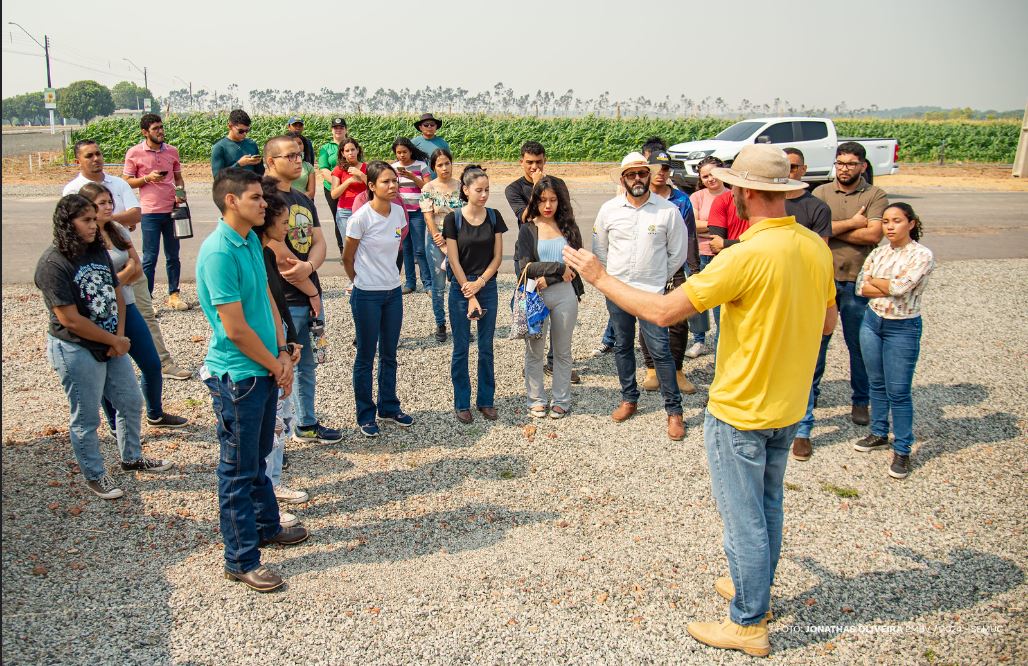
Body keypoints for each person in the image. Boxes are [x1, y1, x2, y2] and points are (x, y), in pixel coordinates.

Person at [564, 144, 836, 658]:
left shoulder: (745, 256)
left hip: (740, 411)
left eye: (733, 187)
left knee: (744, 519)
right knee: (768, 506)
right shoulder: (813, 247)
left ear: (746, 194)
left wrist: (599, 278)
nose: (728, 193)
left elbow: (665, 313)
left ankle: (749, 622)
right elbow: (826, 324)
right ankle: (755, 590)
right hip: (788, 407)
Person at [197, 167, 308, 593]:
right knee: (238, 470)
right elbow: (235, 329)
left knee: (258, 455)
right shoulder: (219, 252)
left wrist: (282, 352)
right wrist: (273, 364)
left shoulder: (249, 243)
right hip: (239, 377)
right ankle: (241, 559)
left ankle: (265, 525)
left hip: (264, 368)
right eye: (256, 198)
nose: (266, 204)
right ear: (231, 201)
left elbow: (266, 302)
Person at [36, 194, 174, 501]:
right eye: (85, 220)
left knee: (129, 401)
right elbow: (69, 319)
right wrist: (112, 340)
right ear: (67, 223)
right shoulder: (53, 264)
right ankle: (95, 475)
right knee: (86, 418)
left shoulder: (97, 251)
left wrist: (120, 337)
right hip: (76, 349)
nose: (93, 224)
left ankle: (131, 458)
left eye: (93, 218)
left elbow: (116, 293)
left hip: (112, 344)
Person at [62, 142, 191, 382]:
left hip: (127, 258)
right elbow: (73, 228)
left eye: (99, 153)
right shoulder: (72, 190)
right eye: (89, 155)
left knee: (146, 316)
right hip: (98, 272)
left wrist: (107, 220)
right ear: (77, 160)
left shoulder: (118, 184)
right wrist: (112, 220)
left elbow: (136, 215)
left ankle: (163, 361)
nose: (96, 159)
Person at [77, 183, 188, 431]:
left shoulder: (117, 230)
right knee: (108, 371)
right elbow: (95, 278)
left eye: (109, 202)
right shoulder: (85, 237)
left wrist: (113, 282)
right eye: (101, 203)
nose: (108, 207)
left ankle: (155, 414)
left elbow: (136, 266)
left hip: (128, 304)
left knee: (151, 363)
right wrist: (119, 278)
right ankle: (116, 425)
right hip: (103, 315)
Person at [593, 153, 687, 441]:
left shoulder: (667, 211)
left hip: (651, 294)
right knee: (622, 345)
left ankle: (674, 412)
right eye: (631, 174)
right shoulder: (609, 210)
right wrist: (612, 280)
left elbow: (678, 253)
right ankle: (629, 399)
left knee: (660, 350)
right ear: (623, 179)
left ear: (649, 176)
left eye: (642, 174)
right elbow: (600, 249)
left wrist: (657, 279)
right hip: (618, 292)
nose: (637, 179)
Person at [263, 135, 342, 445]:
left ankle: (306, 423)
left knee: (307, 363)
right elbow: (280, 256)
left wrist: (310, 270)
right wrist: (310, 289)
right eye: (290, 156)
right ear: (270, 162)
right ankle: (274, 437)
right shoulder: (265, 199)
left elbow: (319, 240)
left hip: (309, 291)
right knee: (280, 367)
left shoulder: (303, 198)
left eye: (300, 155)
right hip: (284, 299)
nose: (299, 161)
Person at [855, 203, 934, 480]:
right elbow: (860, 287)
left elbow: (901, 289)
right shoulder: (878, 252)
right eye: (886, 221)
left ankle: (902, 448)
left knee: (898, 390)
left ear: (911, 223)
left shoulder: (921, 255)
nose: (889, 226)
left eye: (897, 221)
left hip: (903, 326)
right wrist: (886, 283)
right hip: (873, 321)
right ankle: (878, 432)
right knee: (876, 382)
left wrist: (880, 283)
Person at [813, 142, 889, 428]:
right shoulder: (821, 192)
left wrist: (833, 229)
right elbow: (813, 231)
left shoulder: (874, 194)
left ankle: (860, 401)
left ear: (863, 166)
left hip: (858, 280)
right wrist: (853, 223)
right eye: (840, 163)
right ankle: (811, 394)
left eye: (850, 164)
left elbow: (873, 235)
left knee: (858, 345)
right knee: (817, 343)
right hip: (825, 279)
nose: (844, 168)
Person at [343, 161, 415, 437]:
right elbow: (348, 257)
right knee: (365, 356)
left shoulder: (399, 212)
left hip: (392, 293)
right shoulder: (360, 218)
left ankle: (388, 406)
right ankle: (365, 414)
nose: (392, 186)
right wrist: (358, 280)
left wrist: (388, 279)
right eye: (385, 182)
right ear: (371, 186)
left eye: (394, 181)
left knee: (389, 353)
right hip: (367, 295)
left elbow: (396, 249)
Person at [256, 179, 311, 515]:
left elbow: (276, 304)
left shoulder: (263, 252)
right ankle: (267, 492)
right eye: (283, 222)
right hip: (267, 355)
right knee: (270, 426)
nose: (289, 228)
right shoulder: (256, 254)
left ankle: (274, 483)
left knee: (280, 421)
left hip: (281, 346)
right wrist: (280, 350)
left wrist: (288, 342)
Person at [504, 141, 580, 384]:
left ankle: (555, 362)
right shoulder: (513, 188)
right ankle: (533, 365)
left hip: (556, 252)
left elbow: (566, 216)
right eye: (529, 162)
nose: (534, 166)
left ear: (545, 160)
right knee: (534, 316)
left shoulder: (557, 184)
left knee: (561, 321)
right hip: (530, 251)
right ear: (521, 161)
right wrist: (537, 187)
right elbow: (524, 217)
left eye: (538, 162)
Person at [515, 177, 584, 418]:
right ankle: (535, 399)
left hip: (565, 294)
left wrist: (551, 275)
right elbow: (524, 267)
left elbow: (575, 267)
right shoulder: (528, 229)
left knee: (563, 351)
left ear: (560, 200)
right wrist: (556, 268)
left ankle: (561, 399)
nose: (548, 205)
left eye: (553, 200)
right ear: (535, 201)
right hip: (536, 295)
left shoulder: (569, 228)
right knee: (534, 350)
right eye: (543, 200)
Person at [444, 165, 507, 424]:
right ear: (465, 190)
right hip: (461, 288)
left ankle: (486, 400)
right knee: (460, 348)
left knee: (486, 347)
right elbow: (453, 259)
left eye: (487, 190)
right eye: (478, 190)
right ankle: (462, 402)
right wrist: (469, 291)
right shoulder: (453, 219)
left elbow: (498, 257)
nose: (483, 195)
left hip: (487, 286)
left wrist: (480, 283)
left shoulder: (494, 216)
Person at [782, 148, 834, 462]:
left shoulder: (817, 208)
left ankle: (803, 430)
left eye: (793, 166)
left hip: (807, 294)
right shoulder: (771, 205)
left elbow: (819, 255)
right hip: (778, 292)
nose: (788, 171)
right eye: (783, 166)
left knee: (809, 368)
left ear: (803, 169)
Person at [638, 150, 700, 396]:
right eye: (656, 168)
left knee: (678, 320)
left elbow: (690, 236)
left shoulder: (682, 200)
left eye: (666, 169)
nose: (661, 173)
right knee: (647, 317)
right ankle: (652, 368)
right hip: (647, 266)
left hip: (674, 268)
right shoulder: (639, 196)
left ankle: (676, 369)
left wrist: (694, 269)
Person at [123, 113, 190, 312]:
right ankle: (147, 299)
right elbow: (126, 181)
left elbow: (178, 178)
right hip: (150, 212)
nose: (160, 131)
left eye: (161, 127)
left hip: (172, 210)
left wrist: (180, 193)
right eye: (155, 128)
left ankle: (174, 294)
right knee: (150, 257)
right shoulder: (134, 153)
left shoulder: (172, 151)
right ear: (145, 132)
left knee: (173, 255)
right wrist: (147, 178)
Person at [685, 156, 726, 358]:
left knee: (721, 304)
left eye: (714, 174)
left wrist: (706, 223)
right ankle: (699, 340)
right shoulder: (697, 197)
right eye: (705, 176)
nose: (710, 179)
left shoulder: (732, 195)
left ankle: (721, 343)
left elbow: (735, 226)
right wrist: (719, 225)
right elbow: (692, 224)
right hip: (699, 254)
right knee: (698, 299)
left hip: (724, 256)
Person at [419, 148, 462, 342]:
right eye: (440, 165)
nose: (445, 168)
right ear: (434, 167)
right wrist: (437, 237)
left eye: (447, 163)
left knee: (460, 282)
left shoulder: (462, 186)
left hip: (459, 239)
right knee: (438, 285)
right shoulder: (428, 188)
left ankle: (461, 323)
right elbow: (428, 216)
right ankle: (440, 323)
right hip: (436, 239)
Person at [392, 137, 432, 294]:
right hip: (400, 214)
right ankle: (410, 283)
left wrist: (412, 177)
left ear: (410, 151)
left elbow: (428, 188)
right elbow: (391, 187)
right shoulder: (393, 167)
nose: (402, 155)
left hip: (417, 212)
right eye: (398, 153)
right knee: (405, 248)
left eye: (404, 152)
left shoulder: (421, 165)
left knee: (420, 249)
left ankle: (427, 283)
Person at [330, 137, 369, 256]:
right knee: (349, 248)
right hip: (345, 212)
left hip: (364, 210)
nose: (350, 153)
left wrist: (361, 175)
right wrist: (348, 181)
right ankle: (353, 274)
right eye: (347, 151)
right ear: (342, 153)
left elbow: (376, 187)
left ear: (358, 150)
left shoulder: (366, 168)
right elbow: (334, 194)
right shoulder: (339, 169)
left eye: (353, 149)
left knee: (365, 245)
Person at [317, 117, 349, 254]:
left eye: (341, 127)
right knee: (339, 218)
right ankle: (343, 249)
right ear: (331, 130)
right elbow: (324, 169)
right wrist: (338, 184)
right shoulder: (326, 148)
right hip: (331, 188)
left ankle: (355, 249)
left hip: (350, 189)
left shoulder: (351, 145)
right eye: (335, 128)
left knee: (354, 218)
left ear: (346, 130)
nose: (338, 130)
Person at [210, 109, 264, 177]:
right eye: (241, 131)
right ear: (230, 126)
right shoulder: (220, 147)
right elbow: (217, 177)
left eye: (247, 131)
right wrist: (239, 164)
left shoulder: (252, 145)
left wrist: (259, 162)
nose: (244, 134)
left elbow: (259, 174)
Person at [411, 113, 451, 177]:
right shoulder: (413, 143)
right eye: (426, 125)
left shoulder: (443, 144)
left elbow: (449, 163)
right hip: (419, 181)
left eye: (432, 125)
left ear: (436, 127)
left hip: (437, 181)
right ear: (420, 127)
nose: (429, 126)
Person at [286, 131, 317, 200]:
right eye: (294, 143)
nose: (297, 146)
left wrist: (299, 201)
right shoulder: (281, 164)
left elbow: (311, 192)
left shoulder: (308, 167)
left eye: (300, 143)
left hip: (303, 204)